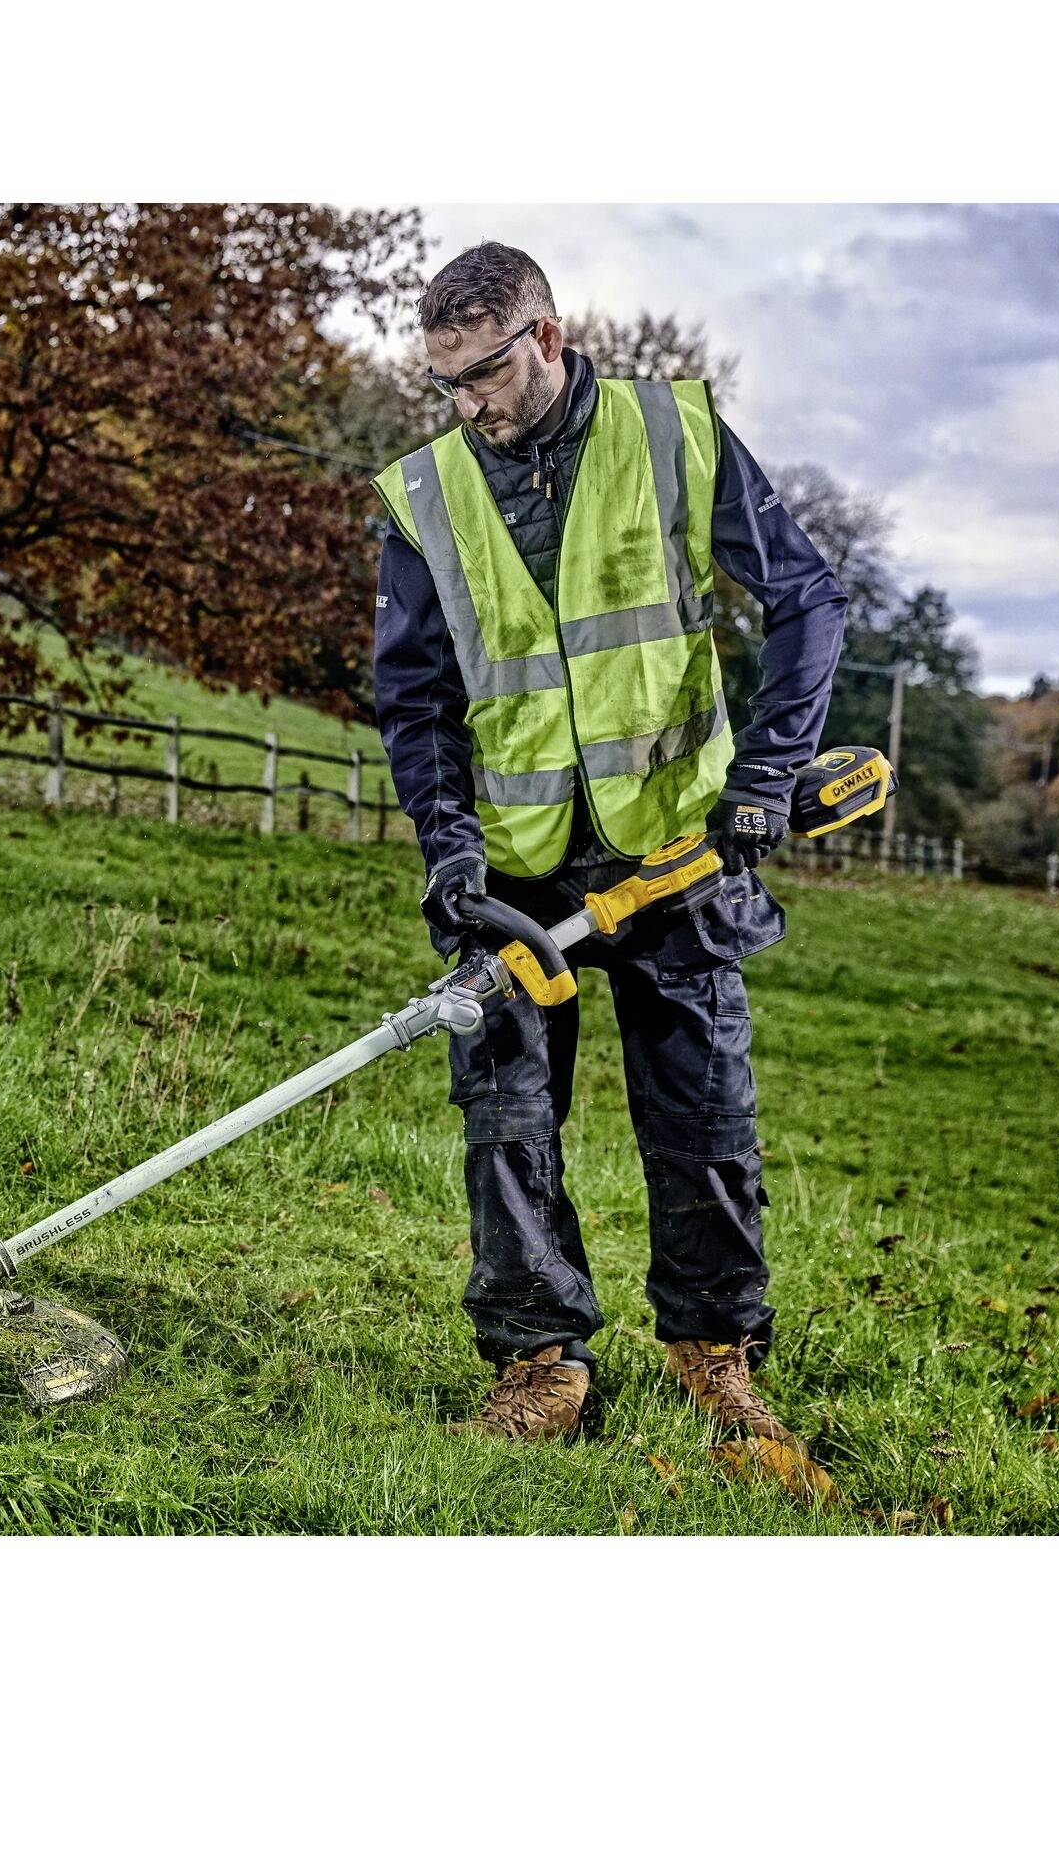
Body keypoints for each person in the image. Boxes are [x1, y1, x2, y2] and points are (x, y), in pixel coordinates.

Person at [371, 242, 847, 1455]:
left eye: (484, 373)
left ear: (546, 336)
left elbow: (805, 597)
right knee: (506, 1115)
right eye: (447, 385)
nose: (467, 404)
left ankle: (713, 1350)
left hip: (678, 848)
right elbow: (415, 701)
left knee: (700, 1112)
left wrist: (764, 780)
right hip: (518, 872)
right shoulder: (427, 495)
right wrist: (447, 852)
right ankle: (539, 1363)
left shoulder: (670, 434)